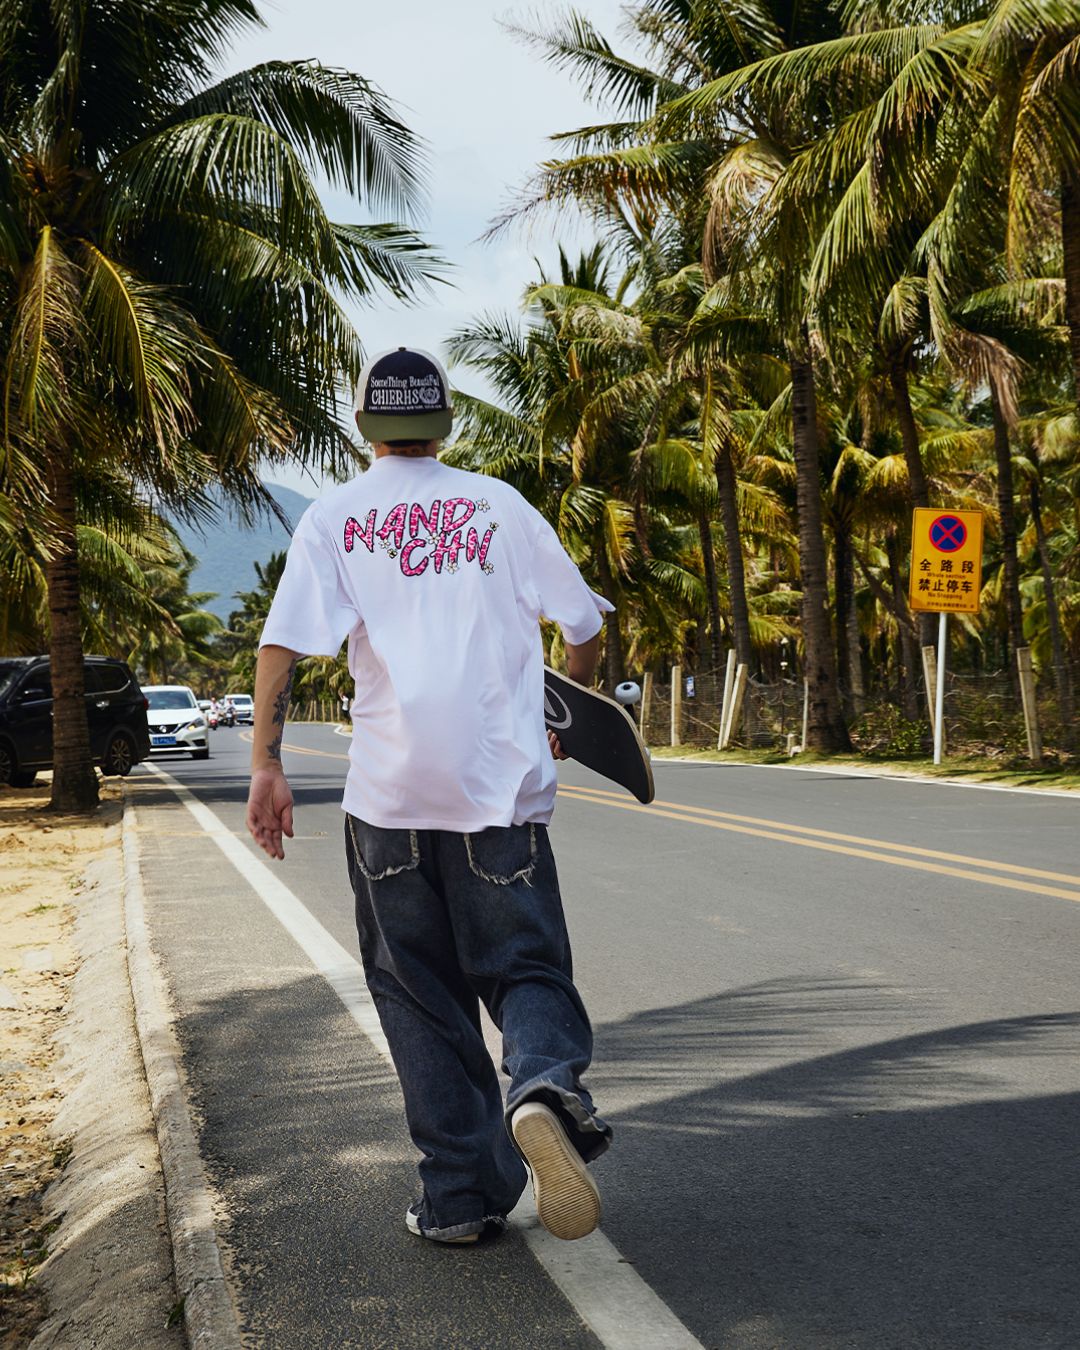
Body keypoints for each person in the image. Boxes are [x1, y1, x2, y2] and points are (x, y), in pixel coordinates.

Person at [246, 346, 613, 1246]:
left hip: (388, 801)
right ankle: (542, 1091)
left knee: (418, 994)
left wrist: (266, 765)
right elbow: (584, 624)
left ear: (364, 428)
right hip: (499, 793)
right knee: (524, 968)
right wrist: (563, 705)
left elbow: (281, 651)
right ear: (445, 424)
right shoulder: (501, 506)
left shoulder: (334, 516)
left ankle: (459, 1196)